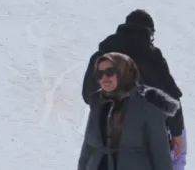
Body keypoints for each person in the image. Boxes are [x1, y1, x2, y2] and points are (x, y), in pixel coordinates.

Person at [81, 9, 187, 169]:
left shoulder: (101, 54)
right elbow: (170, 94)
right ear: (149, 32)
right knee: (175, 158)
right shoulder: (150, 54)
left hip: (103, 127)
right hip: (143, 130)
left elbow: (87, 94)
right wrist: (177, 131)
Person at [78, 52, 180, 170]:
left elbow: (159, 153)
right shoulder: (98, 102)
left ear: (123, 72)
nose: (104, 78)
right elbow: (88, 147)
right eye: (99, 74)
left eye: (110, 72)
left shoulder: (146, 104)